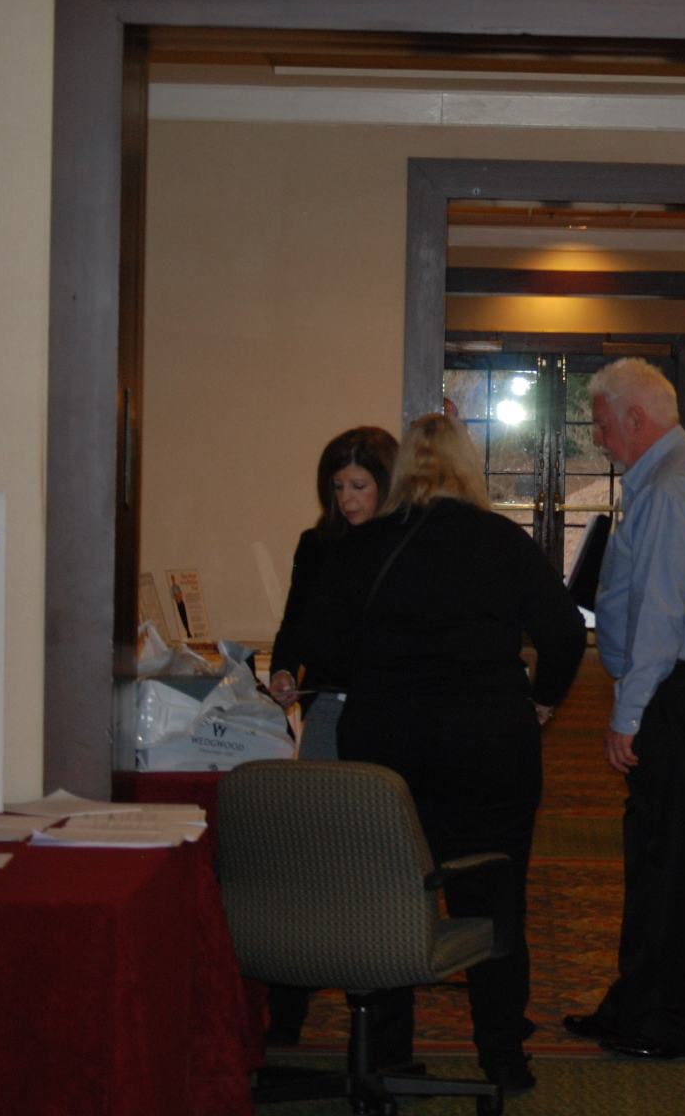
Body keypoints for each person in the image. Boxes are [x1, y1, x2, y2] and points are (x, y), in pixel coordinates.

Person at [303, 413, 585, 1094]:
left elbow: (325, 648)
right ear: (468, 467)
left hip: (386, 747)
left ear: (401, 472)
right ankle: (501, 1055)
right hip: (487, 743)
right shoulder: (500, 540)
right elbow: (564, 631)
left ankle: (386, 1053)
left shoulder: (364, 546)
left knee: (392, 895)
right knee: (493, 899)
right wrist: (542, 699)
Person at [561, 358, 685, 1060]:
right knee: (658, 856)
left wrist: (628, 712)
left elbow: (660, 613)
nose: (598, 437)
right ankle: (639, 1001)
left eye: (602, 424)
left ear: (636, 418)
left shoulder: (676, 486)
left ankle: (677, 1021)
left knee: (681, 865)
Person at [262, 424, 396, 1046]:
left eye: (359, 486)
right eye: (338, 487)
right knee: (311, 857)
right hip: (327, 709)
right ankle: (289, 1008)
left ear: (386, 485)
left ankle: (378, 1001)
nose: (347, 499)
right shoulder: (317, 545)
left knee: (374, 861)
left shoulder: (400, 546)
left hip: (386, 713)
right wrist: (285, 669)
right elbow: (294, 623)